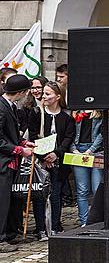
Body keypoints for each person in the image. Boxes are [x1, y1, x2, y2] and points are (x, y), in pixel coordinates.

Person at [28, 81, 74, 234]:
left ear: (58, 96)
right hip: (41, 160)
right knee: (39, 195)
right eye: (44, 93)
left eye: (48, 94)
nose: (44, 96)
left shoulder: (66, 116)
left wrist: (56, 154)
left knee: (56, 194)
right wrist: (43, 157)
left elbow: (68, 137)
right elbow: (34, 136)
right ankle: (41, 228)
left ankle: (54, 225)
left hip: (59, 161)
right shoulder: (36, 113)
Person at [0, 75, 33, 252]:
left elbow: (9, 135)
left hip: (11, 162)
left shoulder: (9, 106)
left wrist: (22, 142)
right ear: (20, 92)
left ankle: (10, 234)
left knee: (12, 201)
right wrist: (20, 150)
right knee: (2, 202)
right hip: (3, 164)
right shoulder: (1, 107)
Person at [71, 109, 103, 227]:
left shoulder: (99, 114)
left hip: (95, 151)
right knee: (82, 189)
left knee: (97, 188)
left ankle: (97, 219)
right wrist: (74, 150)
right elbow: (69, 133)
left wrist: (91, 150)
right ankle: (84, 221)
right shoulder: (75, 113)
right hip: (78, 150)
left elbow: (102, 134)